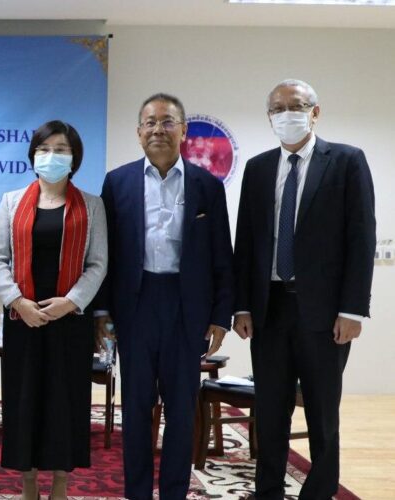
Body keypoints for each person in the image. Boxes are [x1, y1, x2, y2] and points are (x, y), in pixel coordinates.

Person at [232, 79, 375, 500]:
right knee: (270, 410)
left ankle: (319, 491)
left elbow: (361, 237)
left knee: (321, 411)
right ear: (269, 118)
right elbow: (247, 241)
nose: (286, 115)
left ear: (315, 112)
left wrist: (353, 310)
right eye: (277, 109)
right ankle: (268, 491)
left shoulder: (346, 161)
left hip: (325, 314)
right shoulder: (258, 169)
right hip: (270, 309)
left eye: (295, 106)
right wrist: (242, 305)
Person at [95, 93, 233, 500]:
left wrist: (220, 315)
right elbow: (104, 253)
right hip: (135, 305)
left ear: (183, 130)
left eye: (168, 121)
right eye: (150, 122)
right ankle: (137, 493)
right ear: (139, 132)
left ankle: (174, 492)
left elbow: (222, 254)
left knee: (181, 409)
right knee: (136, 408)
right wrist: (102, 311)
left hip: (186, 307)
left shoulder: (208, 186)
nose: (159, 129)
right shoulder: (117, 182)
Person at [0, 120, 108, 500]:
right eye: (44, 149)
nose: (51, 156)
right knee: (24, 400)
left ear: (74, 158)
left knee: (64, 402)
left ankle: (60, 482)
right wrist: (17, 301)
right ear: (33, 155)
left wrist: (70, 302)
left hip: (69, 320)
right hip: (22, 318)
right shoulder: (11, 202)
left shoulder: (92, 205)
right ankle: (27, 482)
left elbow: (98, 263)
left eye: (60, 150)